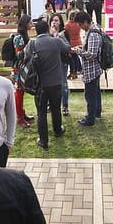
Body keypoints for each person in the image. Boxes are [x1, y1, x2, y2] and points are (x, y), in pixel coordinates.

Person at [28, 19, 70, 150]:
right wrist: (56, 35)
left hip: (40, 84)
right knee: (56, 108)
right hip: (56, 82)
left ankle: (43, 140)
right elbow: (67, 48)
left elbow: (25, 58)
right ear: (48, 29)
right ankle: (58, 130)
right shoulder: (56, 41)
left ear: (36, 31)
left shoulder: (32, 44)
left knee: (41, 112)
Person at [73, 11, 103, 127]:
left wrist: (78, 51)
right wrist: (82, 48)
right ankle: (96, 113)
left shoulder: (93, 33)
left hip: (92, 69)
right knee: (95, 93)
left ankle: (90, 119)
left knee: (90, 95)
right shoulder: (92, 30)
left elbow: (92, 54)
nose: (80, 27)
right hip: (94, 69)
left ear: (86, 22)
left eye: (81, 25)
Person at [11, 15, 34, 128]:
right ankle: (19, 117)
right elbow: (19, 55)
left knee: (21, 92)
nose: (32, 24)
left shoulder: (24, 36)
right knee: (19, 93)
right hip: (18, 69)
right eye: (30, 23)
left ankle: (21, 113)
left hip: (23, 68)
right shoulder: (18, 38)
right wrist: (29, 47)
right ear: (25, 24)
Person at [50, 13, 71, 116]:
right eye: (52, 20)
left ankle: (65, 106)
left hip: (62, 61)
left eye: (56, 20)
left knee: (63, 83)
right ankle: (51, 105)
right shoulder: (48, 33)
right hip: (51, 62)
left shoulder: (64, 32)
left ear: (60, 22)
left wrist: (57, 35)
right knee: (51, 83)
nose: (54, 22)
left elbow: (67, 46)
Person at [64, 11, 83, 79]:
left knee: (71, 58)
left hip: (71, 43)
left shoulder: (67, 24)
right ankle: (78, 70)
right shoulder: (78, 24)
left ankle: (73, 72)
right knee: (76, 56)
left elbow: (65, 34)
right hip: (78, 41)